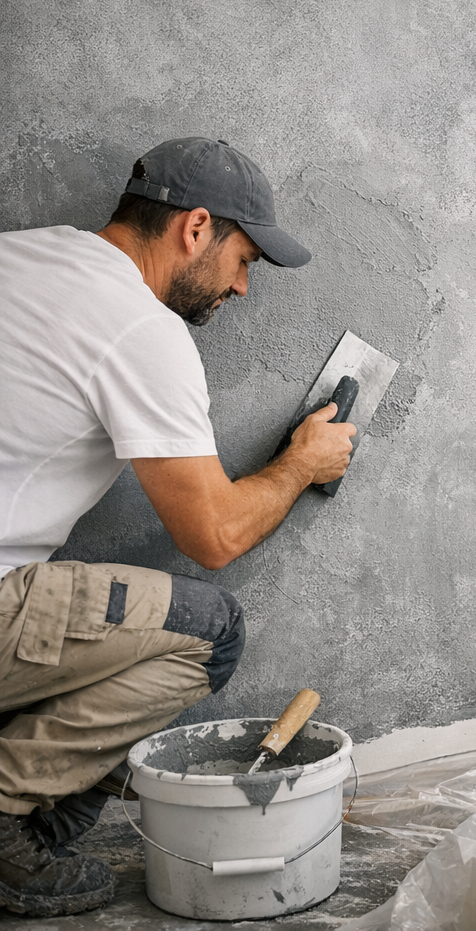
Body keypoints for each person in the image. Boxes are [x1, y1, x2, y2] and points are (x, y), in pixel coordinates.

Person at [0, 138, 356, 916]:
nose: (243, 286)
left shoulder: (18, 256)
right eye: (246, 260)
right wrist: (300, 465)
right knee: (212, 629)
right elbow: (214, 536)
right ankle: (5, 821)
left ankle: (30, 831)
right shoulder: (138, 328)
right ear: (197, 227)